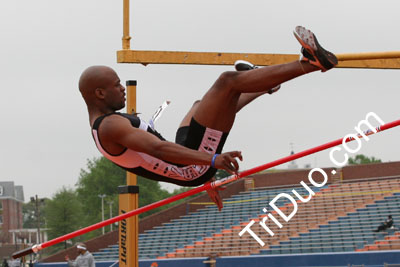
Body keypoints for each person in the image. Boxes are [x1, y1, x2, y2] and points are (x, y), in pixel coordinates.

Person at [79, 26, 337, 210]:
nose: (122, 88)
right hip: (191, 166)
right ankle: (311, 63)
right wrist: (212, 161)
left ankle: (263, 84)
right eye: (116, 85)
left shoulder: (105, 124)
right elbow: (158, 148)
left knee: (203, 105)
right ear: (99, 93)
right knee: (227, 83)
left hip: (184, 154)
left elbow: (160, 151)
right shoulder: (110, 127)